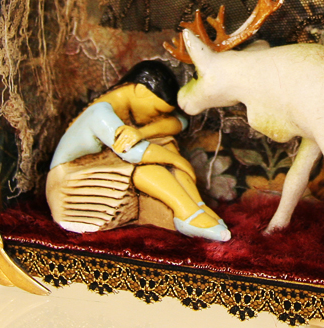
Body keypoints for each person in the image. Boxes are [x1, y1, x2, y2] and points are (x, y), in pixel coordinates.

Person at [46, 60, 230, 241]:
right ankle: (186, 213)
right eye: (156, 110)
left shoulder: (128, 110)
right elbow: (133, 153)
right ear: (140, 90)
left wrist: (142, 132)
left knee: (164, 142)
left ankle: (197, 206)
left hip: (100, 166)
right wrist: (179, 161)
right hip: (71, 184)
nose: (156, 116)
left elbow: (180, 122)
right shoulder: (99, 114)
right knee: (147, 164)